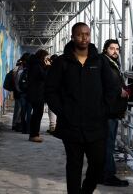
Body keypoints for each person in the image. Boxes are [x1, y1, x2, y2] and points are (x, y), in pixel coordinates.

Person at [45, 22, 118, 194]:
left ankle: (86, 191)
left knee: (98, 163)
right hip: (71, 125)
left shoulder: (99, 61)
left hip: (96, 124)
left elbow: (112, 87)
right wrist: (63, 111)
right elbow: (50, 90)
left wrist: (104, 109)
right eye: (80, 34)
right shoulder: (62, 62)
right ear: (72, 37)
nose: (84, 38)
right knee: (74, 166)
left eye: (87, 34)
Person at [101, 39, 130, 187]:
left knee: (106, 143)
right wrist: (119, 91)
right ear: (106, 49)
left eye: (117, 49)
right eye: (112, 48)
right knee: (108, 144)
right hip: (108, 110)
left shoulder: (112, 63)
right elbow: (105, 83)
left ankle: (102, 174)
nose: (115, 51)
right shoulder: (104, 63)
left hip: (111, 110)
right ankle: (108, 175)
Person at [27, 49, 49, 143]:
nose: (46, 59)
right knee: (37, 114)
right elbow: (43, 77)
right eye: (45, 57)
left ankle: (34, 133)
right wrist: (48, 67)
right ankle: (34, 134)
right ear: (42, 56)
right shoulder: (37, 66)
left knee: (36, 114)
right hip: (37, 94)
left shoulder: (35, 64)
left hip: (35, 93)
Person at [47, 54, 59, 133]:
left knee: (51, 110)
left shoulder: (50, 69)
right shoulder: (63, 68)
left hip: (53, 93)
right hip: (61, 93)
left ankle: (52, 127)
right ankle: (57, 127)